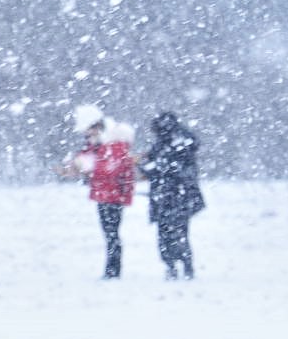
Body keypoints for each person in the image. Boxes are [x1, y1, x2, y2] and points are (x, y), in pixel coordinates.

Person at [56, 104, 136, 279]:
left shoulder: (113, 144)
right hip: (105, 194)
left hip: (112, 195)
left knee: (111, 235)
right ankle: (112, 270)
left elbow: (109, 168)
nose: (86, 134)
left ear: (96, 127)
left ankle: (113, 271)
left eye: (87, 130)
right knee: (110, 234)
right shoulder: (100, 145)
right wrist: (76, 166)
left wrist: (84, 166)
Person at [139, 112, 205, 280]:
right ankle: (181, 265)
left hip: (172, 197)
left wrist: (148, 167)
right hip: (176, 197)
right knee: (177, 233)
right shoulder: (179, 143)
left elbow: (165, 168)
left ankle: (175, 265)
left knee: (169, 234)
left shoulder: (172, 145)